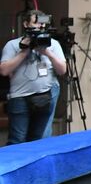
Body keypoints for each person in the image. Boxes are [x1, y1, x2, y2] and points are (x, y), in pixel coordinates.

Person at [1, 10, 66, 145]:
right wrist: (24, 52)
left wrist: (47, 52)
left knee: (38, 140)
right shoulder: (13, 45)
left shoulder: (53, 44)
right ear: (26, 24)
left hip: (44, 97)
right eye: (36, 22)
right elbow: (4, 71)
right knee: (17, 139)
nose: (40, 26)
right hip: (20, 97)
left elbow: (62, 70)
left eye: (43, 23)